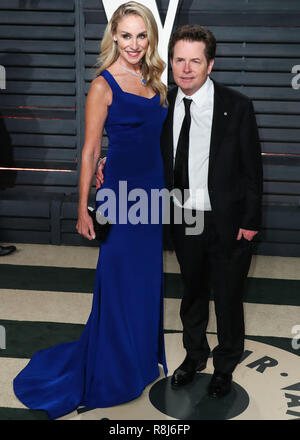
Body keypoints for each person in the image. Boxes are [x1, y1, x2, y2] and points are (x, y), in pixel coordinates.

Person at [13, 1, 168, 420]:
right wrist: (83, 207)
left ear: (149, 37)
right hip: (118, 198)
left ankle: (138, 362)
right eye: (126, 35)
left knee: (146, 282)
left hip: (152, 197)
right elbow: (89, 151)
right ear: (113, 37)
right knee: (117, 281)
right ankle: (113, 370)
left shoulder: (154, 77)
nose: (134, 43)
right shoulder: (103, 85)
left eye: (141, 35)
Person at [97, 23, 263, 400]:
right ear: (170, 62)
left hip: (228, 221)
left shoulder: (236, 106)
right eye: (178, 60)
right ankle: (194, 357)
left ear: (210, 65)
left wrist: (251, 221)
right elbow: (140, 146)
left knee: (228, 297)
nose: (186, 69)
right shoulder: (161, 103)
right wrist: (111, 160)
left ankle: (225, 366)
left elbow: (253, 168)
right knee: (192, 294)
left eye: (195, 61)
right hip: (183, 219)